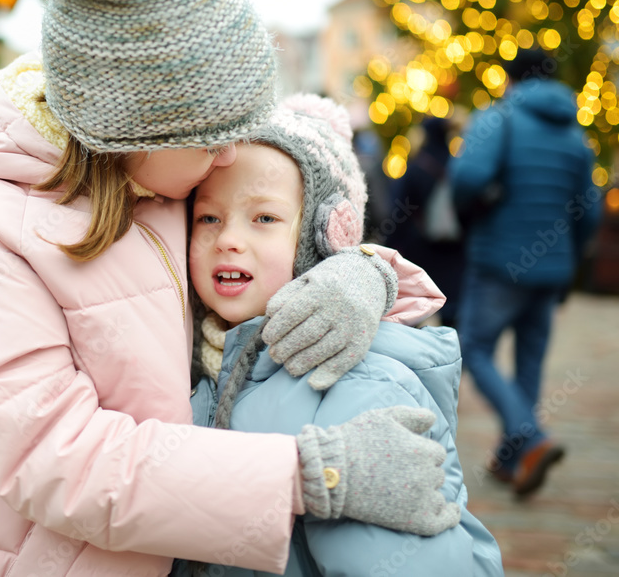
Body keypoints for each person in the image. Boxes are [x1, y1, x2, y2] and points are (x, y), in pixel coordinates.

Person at [0, 0, 459, 574]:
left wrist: (359, 271)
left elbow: (286, 219)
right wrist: (307, 475)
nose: (229, 154)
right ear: (132, 130)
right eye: (210, 138)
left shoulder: (168, 178)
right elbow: (62, 461)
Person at [177, 94, 502, 576]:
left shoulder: (355, 384)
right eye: (209, 218)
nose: (228, 239)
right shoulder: (193, 359)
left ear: (323, 235)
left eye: (264, 218)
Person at [449, 47, 603, 496]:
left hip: (500, 259)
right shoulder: (575, 134)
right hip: (553, 268)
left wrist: (469, 217)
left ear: (511, 79)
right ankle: (512, 459)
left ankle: (530, 439)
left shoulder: (500, 118)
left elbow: (467, 178)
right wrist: (571, 259)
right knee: (529, 362)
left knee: (474, 349)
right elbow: (590, 211)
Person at [385, 116, 467, 327]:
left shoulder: (417, 167)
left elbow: (398, 214)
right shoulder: (457, 167)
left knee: (415, 313)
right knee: (451, 315)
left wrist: (389, 247)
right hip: (454, 250)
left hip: (420, 251)